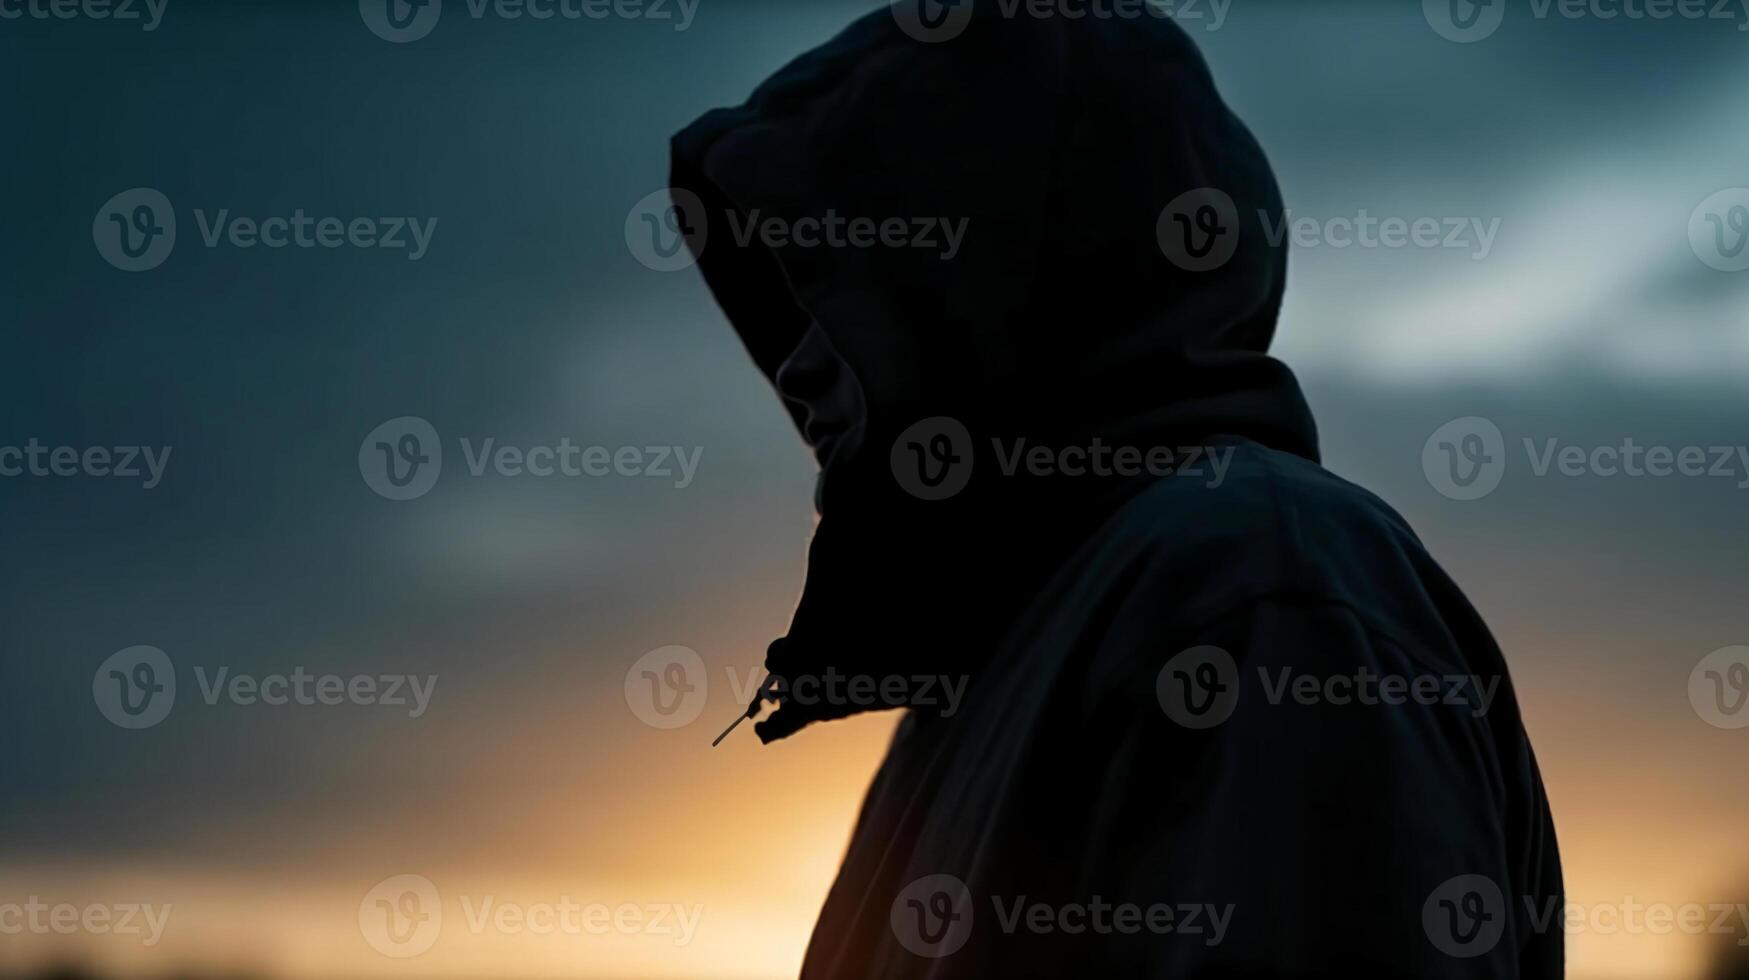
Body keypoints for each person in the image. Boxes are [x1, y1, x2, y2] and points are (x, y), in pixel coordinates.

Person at [671, 3, 1563, 976]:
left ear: (1006, 275)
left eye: (848, 287)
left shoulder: (1259, 591)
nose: (791, 370)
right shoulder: (994, 673)